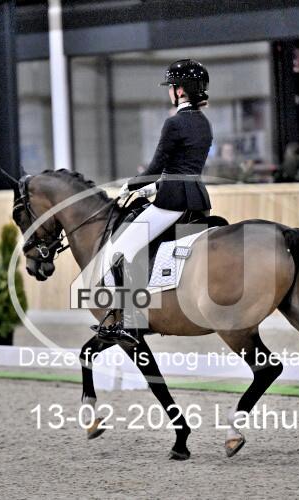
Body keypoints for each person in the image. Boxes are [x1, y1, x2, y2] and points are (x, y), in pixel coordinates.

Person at [94, 59, 213, 346]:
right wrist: (152, 189)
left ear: (180, 91)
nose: (169, 92)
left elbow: (157, 167)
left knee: (122, 248)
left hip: (173, 203)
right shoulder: (204, 123)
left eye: (171, 87)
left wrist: (131, 185)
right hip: (198, 201)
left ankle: (129, 322)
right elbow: (183, 169)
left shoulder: (174, 123)